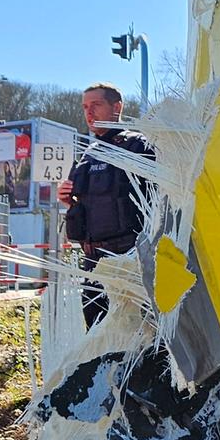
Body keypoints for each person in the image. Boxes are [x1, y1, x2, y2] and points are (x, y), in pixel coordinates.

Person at [57, 82, 153, 327]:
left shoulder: (138, 146)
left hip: (129, 260)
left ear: (116, 107)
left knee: (138, 334)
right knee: (98, 333)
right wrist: (69, 201)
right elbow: (84, 206)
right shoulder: (88, 154)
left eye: (96, 105)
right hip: (94, 263)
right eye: (85, 107)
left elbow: (159, 202)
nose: (89, 113)